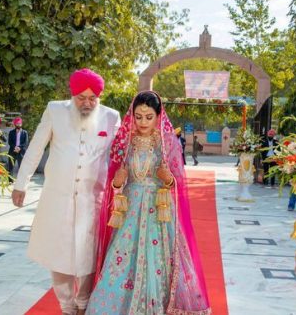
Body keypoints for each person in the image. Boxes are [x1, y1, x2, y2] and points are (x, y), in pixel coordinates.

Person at [88, 91, 211, 314]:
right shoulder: (124, 142)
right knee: (122, 257)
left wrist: (168, 179)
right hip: (131, 209)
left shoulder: (167, 144)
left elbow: (177, 182)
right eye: (138, 117)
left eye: (148, 117)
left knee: (160, 261)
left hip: (159, 210)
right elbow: (115, 181)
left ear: (158, 116)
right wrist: (117, 184)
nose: (143, 122)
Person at [11, 68, 121, 315]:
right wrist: (21, 183)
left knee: (87, 253)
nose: (87, 103)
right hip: (57, 197)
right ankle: (66, 306)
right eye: (81, 98)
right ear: (72, 96)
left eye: (93, 98)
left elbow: (120, 156)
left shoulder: (111, 116)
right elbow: (36, 146)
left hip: (93, 198)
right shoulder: (55, 110)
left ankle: (83, 304)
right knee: (58, 253)